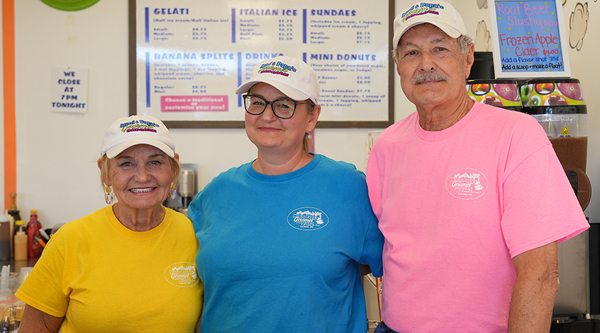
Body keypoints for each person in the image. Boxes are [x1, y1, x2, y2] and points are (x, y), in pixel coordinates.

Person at [366, 1, 589, 332]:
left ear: (467, 57)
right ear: (397, 65)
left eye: (439, 49)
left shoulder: (516, 134)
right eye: (411, 53)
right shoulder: (386, 146)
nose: (426, 64)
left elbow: (541, 274)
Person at [188, 56, 384, 333]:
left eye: (284, 105)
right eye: (257, 102)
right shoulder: (216, 193)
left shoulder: (348, 187)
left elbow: (392, 264)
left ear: (312, 116)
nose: (267, 116)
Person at [16, 115, 203, 332]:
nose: (142, 177)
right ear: (105, 172)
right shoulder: (69, 241)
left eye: (155, 162)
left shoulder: (197, 236)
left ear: (173, 169)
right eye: (126, 163)